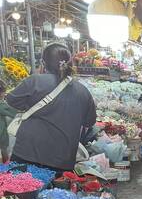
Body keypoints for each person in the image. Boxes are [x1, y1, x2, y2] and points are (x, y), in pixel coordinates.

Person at [6, 43, 97, 174]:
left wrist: (30, 105)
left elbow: (11, 100)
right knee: (53, 193)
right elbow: (89, 122)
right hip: (62, 158)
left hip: (27, 152)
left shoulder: (35, 81)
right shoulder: (83, 91)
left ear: (43, 63)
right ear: (70, 63)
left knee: (22, 191)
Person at [0, 81, 17, 162]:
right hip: (1, 133)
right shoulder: (2, 106)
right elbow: (14, 113)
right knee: (4, 150)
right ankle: (5, 167)